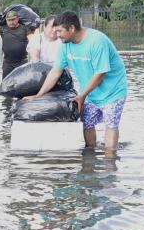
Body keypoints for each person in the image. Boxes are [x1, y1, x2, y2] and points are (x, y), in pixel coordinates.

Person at [24, 11, 128, 157]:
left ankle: (110, 163)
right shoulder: (64, 45)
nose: (57, 35)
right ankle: (90, 157)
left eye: (59, 31)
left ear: (71, 28)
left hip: (113, 91)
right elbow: (55, 72)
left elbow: (100, 73)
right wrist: (38, 95)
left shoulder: (96, 41)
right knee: (87, 124)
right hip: (90, 92)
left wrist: (82, 96)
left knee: (110, 125)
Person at [0, 10, 32, 78]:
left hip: (22, 62)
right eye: (9, 20)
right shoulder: (3, 28)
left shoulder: (24, 29)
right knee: (6, 85)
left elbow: (33, 42)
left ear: (17, 19)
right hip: (8, 63)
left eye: (13, 19)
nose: (11, 22)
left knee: (22, 85)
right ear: (6, 20)